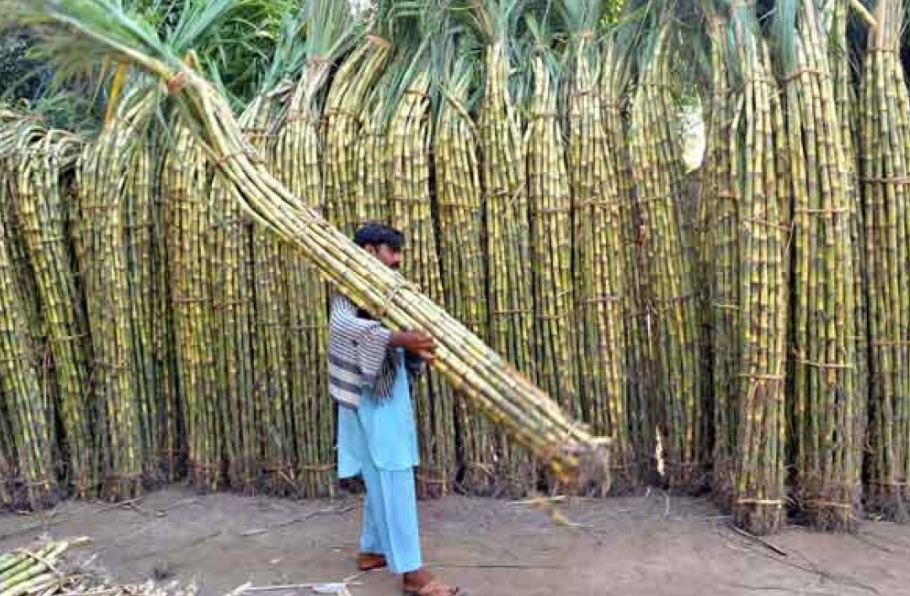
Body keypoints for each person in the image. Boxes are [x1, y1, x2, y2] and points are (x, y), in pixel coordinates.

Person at [328, 223, 460, 596]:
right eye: (392, 251)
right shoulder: (348, 287)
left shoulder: (389, 290)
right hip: (369, 396)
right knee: (394, 474)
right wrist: (396, 338)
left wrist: (412, 346)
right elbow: (340, 327)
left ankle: (372, 549)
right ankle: (412, 573)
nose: (398, 259)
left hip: (383, 390)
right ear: (370, 250)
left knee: (378, 471)